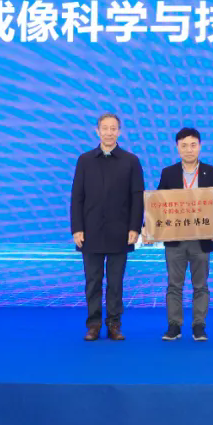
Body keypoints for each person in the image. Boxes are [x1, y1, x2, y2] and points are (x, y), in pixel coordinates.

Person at [70, 112, 144, 341]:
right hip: (90, 231)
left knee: (115, 282)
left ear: (119, 132)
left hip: (120, 232)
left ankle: (114, 324)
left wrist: (135, 228)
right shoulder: (85, 160)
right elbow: (77, 197)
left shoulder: (131, 161)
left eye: (113, 128)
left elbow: (137, 197)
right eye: (105, 128)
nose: (109, 133)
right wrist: (77, 228)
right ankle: (93, 325)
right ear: (97, 131)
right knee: (92, 282)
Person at [153, 128, 213, 342]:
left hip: (202, 239)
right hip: (175, 239)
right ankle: (174, 325)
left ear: (200, 146)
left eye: (193, 145)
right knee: (174, 285)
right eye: (184, 146)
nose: (189, 149)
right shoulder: (168, 173)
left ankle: (199, 325)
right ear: (177, 148)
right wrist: (151, 228)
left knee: (200, 285)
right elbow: (157, 204)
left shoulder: (212, 172)